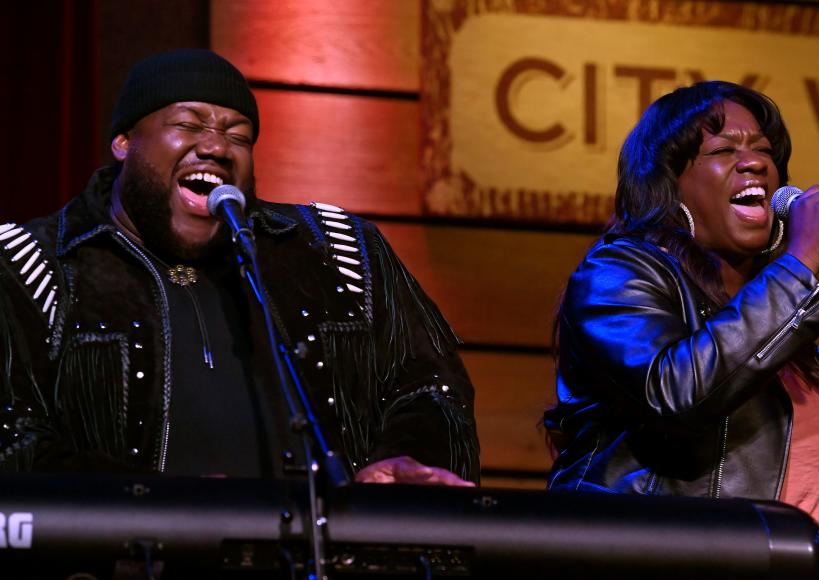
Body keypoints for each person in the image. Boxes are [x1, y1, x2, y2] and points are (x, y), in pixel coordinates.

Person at [0, 49, 478, 486]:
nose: (216, 147)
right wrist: (157, 507)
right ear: (124, 142)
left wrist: (401, 460)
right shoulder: (31, 262)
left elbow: (431, 387)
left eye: (238, 136)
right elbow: (12, 435)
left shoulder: (338, 249)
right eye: (188, 125)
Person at [543, 81, 819, 578]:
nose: (754, 162)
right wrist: (798, 266)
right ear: (670, 184)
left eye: (763, 151)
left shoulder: (750, 306)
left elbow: (767, 414)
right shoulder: (617, 273)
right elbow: (677, 392)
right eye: (722, 149)